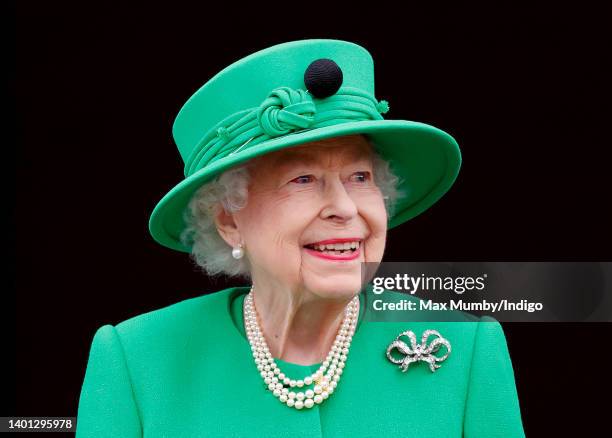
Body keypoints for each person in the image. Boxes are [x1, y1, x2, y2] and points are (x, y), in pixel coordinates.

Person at [76, 39, 525, 437]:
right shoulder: (136, 362)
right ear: (229, 221)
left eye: (360, 176)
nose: (346, 208)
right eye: (303, 179)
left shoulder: (464, 352)